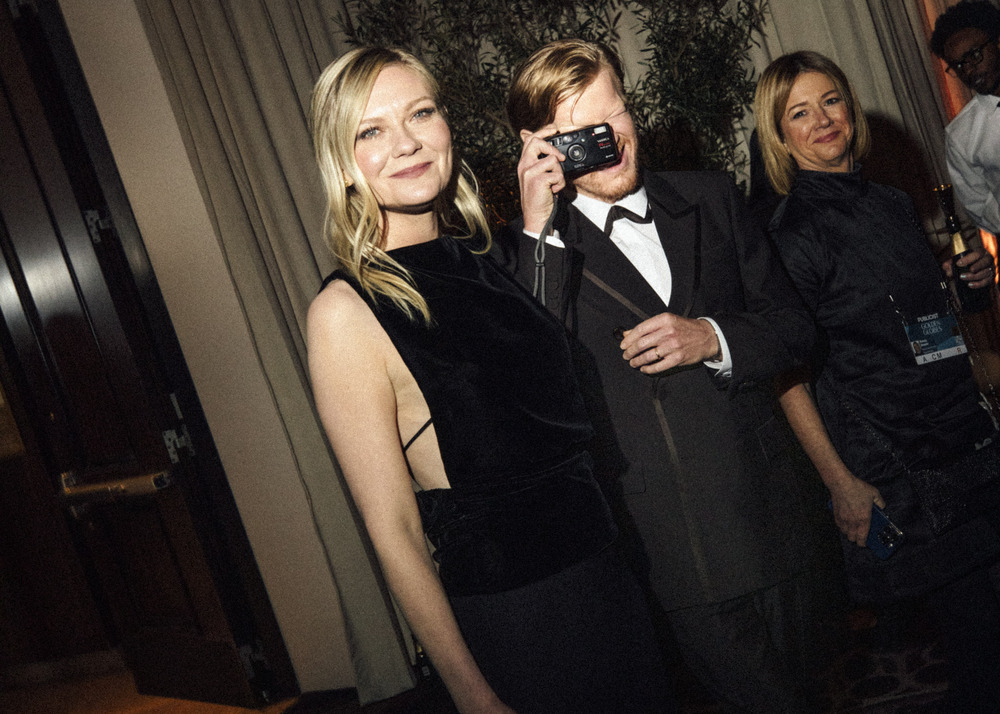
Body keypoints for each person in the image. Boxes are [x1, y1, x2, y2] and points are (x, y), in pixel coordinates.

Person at [306, 47, 675, 714]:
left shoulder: (485, 260)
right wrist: (472, 694)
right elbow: (394, 531)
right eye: (371, 130)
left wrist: (535, 225)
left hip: (608, 582)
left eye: (421, 113)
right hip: (519, 622)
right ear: (342, 161)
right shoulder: (345, 311)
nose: (407, 142)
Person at [502, 38, 826, 714]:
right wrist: (538, 230)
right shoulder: (531, 254)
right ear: (539, 147)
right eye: (580, 132)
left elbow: (797, 328)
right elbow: (532, 387)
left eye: (615, 114)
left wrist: (712, 337)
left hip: (777, 517)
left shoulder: (709, 197)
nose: (609, 140)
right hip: (675, 550)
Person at [754, 49, 1000, 712]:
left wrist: (961, 283)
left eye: (831, 100)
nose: (822, 119)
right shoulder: (792, 234)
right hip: (902, 459)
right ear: (779, 137)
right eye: (799, 113)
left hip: (962, 433)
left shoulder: (888, 202)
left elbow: (912, 320)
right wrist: (840, 481)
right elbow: (786, 374)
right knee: (979, 634)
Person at [931, 0, 1000, 250]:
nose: (969, 70)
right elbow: (979, 206)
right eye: (959, 65)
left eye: (974, 55)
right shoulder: (961, 135)